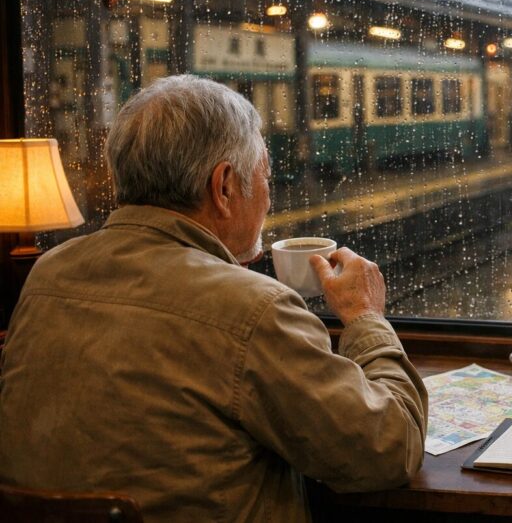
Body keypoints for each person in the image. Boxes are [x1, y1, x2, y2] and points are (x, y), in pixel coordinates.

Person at [0, 76, 428, 523]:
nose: (267, 196)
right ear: (223, 187)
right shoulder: (254, 309)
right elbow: (388, 449)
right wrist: (364, 316)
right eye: (263, 176)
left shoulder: (50, 272)